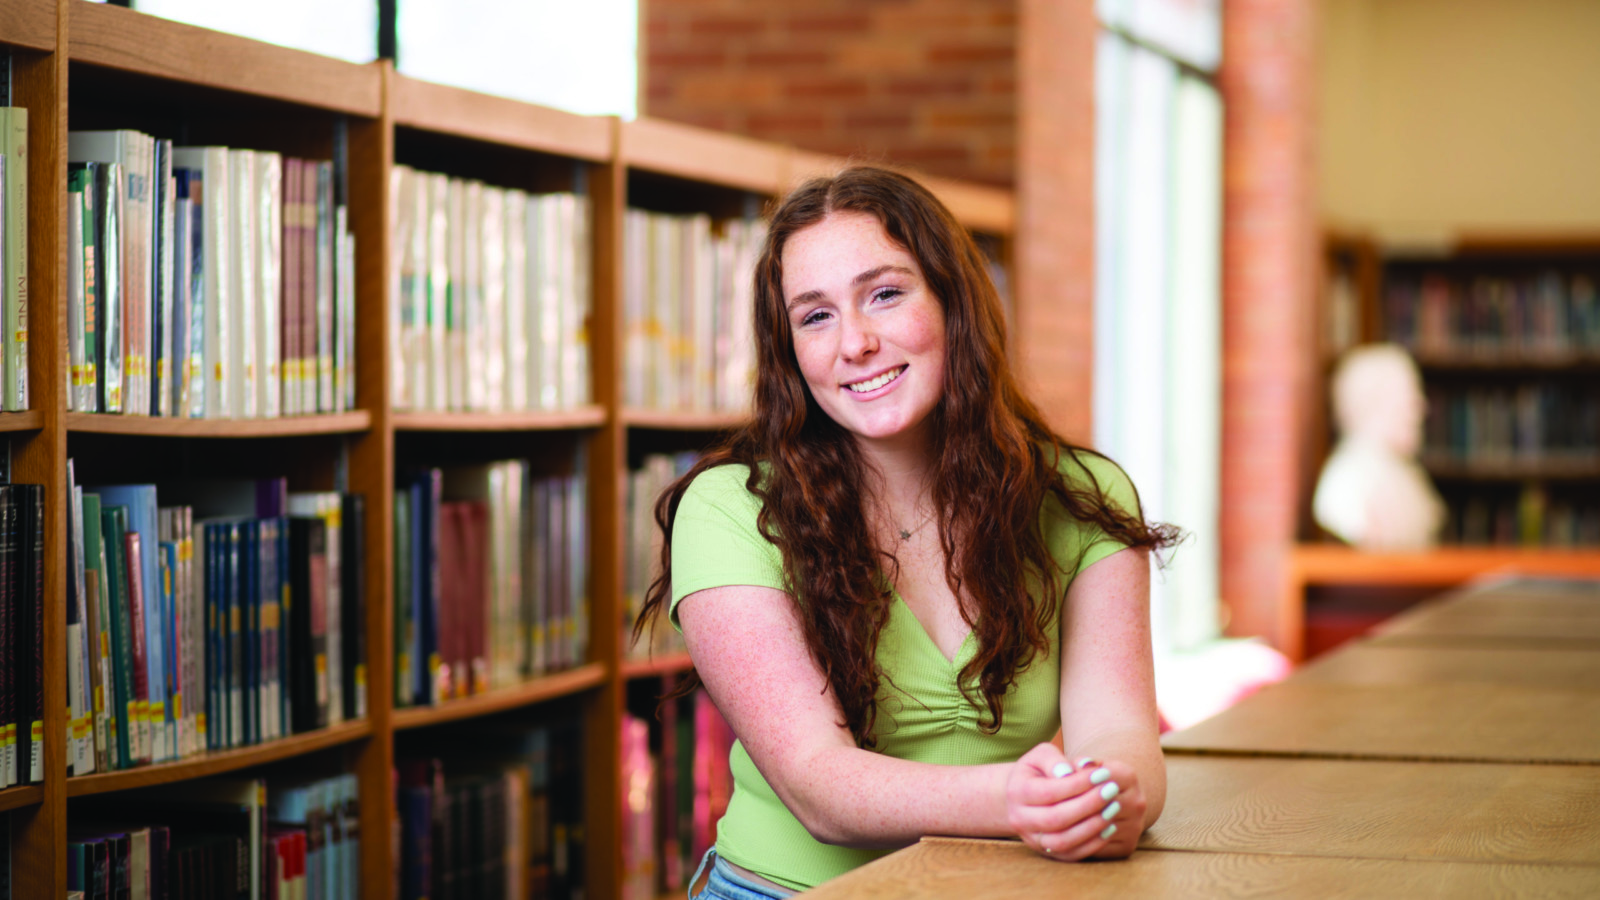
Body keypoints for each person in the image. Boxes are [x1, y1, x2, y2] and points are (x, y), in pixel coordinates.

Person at [634, 167, 1179, 899]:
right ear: (790, 351)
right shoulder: (731, 508)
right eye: (815, 316)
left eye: (884, 294)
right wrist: (1018, 802)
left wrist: (1108, 799)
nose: (854, 342)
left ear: (954, 302)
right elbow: (817, 786)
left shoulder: (1081, 496)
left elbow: (1120, 734)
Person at [1313, 343, 1445, 550]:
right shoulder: (1345, 481)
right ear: (1373, 401)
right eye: (1410, 396)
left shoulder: (1406, 474)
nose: (1421, 407)